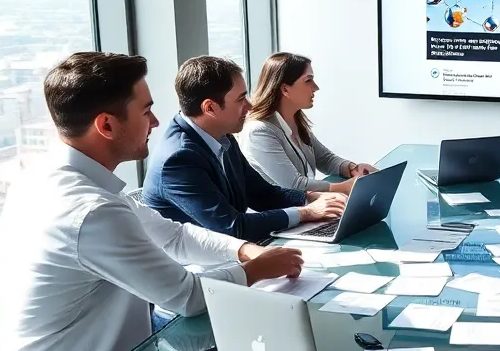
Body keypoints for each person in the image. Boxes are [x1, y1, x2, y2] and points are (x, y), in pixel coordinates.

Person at [0, 52, 305, 351]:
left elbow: (172, 234)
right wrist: (254, 270)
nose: (157, 122)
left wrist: (242, 249)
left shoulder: (58, 179)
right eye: (146, 111)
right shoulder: (89, 211)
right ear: (106, 124)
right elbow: (186, 297)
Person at [143, 56, 347, 242]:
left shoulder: (222, 136)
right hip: (199, 271)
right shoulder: (179, 159)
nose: (249, 106)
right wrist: (307, 212)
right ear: (210, 108)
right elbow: (232, 227)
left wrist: (310, 198)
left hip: (229, 254)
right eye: (241, 99)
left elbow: (260, 193)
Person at [242, 52, 377, 192]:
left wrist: (353, 169)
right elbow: (294, 185)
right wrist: (345, 187)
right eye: (308, 80)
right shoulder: (259, 131)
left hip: (306, 206)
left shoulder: (295, 120)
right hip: (280, 211)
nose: (316, 87)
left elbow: (325, 159)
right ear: (285, 89)